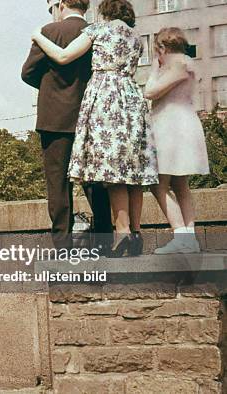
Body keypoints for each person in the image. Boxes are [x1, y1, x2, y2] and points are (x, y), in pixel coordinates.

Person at [31, 0, 159, 258]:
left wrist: (37, 36)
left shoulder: (95, 31)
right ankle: (129, 233)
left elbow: (59, 58)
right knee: (127, 173)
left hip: (99, 106)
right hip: (131, 102)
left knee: (96, 175)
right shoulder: (135, 37)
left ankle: (84, 243)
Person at [21, 0, 113, 253]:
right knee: (95, 181)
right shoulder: (94, 33)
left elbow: (27, 72)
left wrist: (51, 87)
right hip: (89, 117)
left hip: (54, 119)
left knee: (58, 184)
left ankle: (63, 245)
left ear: (61, 5)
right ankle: (105, 242)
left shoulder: (49, 33)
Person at [144, 28, 209, 254]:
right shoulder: (188, 61)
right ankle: (189, 238)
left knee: (157, 184)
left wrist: (154, 70)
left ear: (162, 48)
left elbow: (150, 92)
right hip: (186, 123)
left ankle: (181, 235)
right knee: (181, 184)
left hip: (171, 127)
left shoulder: (177, 64)